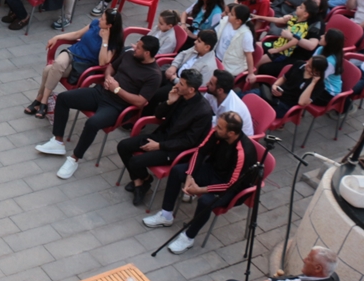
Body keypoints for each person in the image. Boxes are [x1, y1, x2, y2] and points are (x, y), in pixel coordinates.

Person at [37, 35, 162, 180]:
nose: (134, 48)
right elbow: (111, 67)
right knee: (64, 98)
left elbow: (140, 102)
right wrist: (108, 77)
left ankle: (74, 159)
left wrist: (117, 89)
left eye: (138, 47)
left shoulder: (154, 75)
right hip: (100, 92)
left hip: (117, 107)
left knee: (92, 123)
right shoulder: (129, 55)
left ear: (147, 53)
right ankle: (58, 141)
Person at [143, 111, 258, 255]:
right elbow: (200, 152)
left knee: (205, 201)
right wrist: (190, 176)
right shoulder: (217, 133)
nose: (215, 128)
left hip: (232, 188)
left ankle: (188, 237)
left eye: (220, 127)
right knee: (178, 171)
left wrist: (200, 190)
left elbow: (231, 185)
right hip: (213, 170)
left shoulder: (243, 152)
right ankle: (166, 215)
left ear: (231, 133)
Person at [119, 68, 214, 206]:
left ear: (191, 90)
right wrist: (169, 102)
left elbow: (189, 141)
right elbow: (158, 115)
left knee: (135, 162)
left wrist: (159, 146)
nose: (177, 85)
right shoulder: (179, 95)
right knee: (123, 146)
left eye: (181, 84)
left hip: (174, 149)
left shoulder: (203, 112)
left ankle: (142, 183)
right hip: (161, 136)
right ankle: (141, 181)